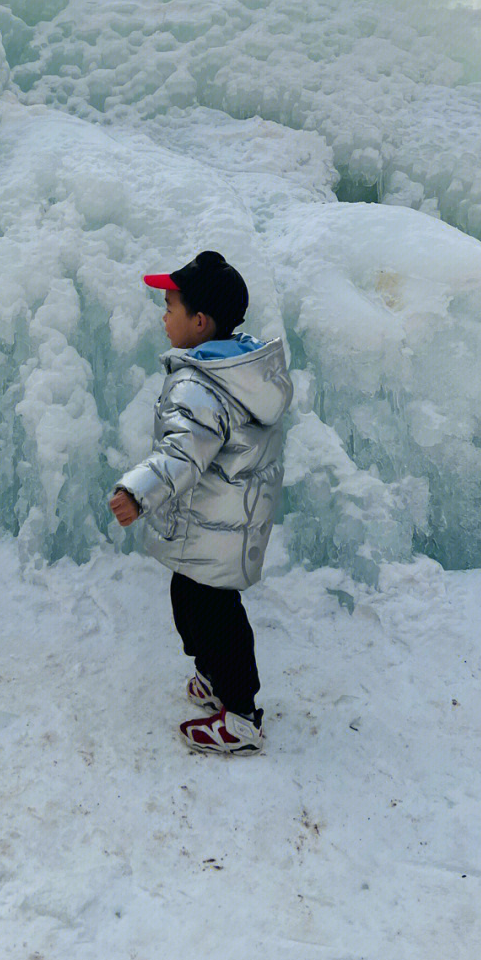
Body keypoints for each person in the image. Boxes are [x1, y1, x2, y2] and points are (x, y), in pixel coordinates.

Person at [109, 250, 293, 755]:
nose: (163, 315)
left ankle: (241, 717)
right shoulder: (235, 368)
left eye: (170, 306)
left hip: (215, 525)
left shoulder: (200, 386)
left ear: (199, 321)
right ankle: (216, 679)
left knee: (214, 616)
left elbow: (181, 453)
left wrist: (135, 492)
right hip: (219, 522)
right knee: (192, 604)